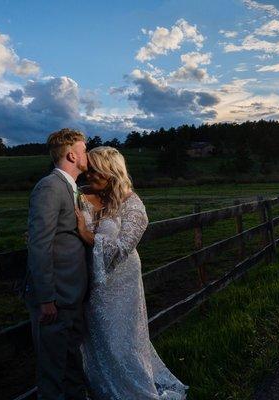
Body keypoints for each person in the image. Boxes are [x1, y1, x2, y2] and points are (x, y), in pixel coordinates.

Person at [74, 146, 188, 399]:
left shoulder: (133, 204)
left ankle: (135, 392)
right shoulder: (80, 196)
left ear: (110, 171)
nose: (88, 175)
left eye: (94, 170)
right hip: (91, 282)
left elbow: (124, 246)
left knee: (122, 341)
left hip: (122, 281)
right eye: (88, 169)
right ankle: (103, 391)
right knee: (98, 340)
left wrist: (86, 234)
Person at [22, 128, 90, 400]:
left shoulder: (70, 188)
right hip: (56, 299)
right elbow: (40, 244)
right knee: (52, 373)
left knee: (72, 367)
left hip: (72, 295)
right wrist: (46, 297)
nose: (88, 155)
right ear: (72, 155)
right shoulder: (50, 187)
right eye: (85, 150)